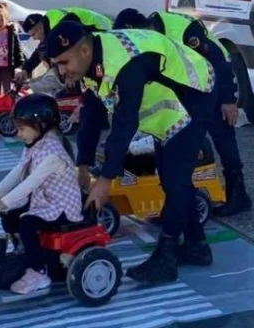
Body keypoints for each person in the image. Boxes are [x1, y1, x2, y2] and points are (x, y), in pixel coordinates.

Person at [47, 20, 215, 284]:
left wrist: (105, 180)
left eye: (63, 63)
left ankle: (166, 259)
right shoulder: (94, 62)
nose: (61, 71)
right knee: (173, 179)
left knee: (175, 180)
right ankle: (197, 247)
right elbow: (92, 112)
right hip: (169, 106)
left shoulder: (127, 64)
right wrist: (83, 165)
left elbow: (124, 124)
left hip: (195, 95)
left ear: (83, 51)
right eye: (56, 64)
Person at [146, 10, 253, 216]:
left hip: (214, 82)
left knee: (223, 139)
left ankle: (238, 195)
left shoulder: (184, 31)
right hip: (191, 88)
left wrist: (228, 99)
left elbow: (218, 61)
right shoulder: (151, 34)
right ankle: (179, 199)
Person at [0, 93, 84, 295]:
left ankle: (38, 271)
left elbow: (29, 184)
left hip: (61, 205)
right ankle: (23, 251)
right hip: (44, 200)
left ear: (41, 124)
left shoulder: (53, 152)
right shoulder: (35, 144)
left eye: (22, 128)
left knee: (27, 222)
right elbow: (18, 171)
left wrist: (0, 204)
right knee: (10, 215)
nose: (19, 134)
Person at [19, 7, 113, 77]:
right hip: (98, 35)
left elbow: (76, 51)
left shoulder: (62, 25)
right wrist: (26, 69)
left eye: (33, 35)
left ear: (39, 29)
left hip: (105, 32)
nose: (34, 39)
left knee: (97, 70)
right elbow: (41, 50)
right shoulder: (50, 22)